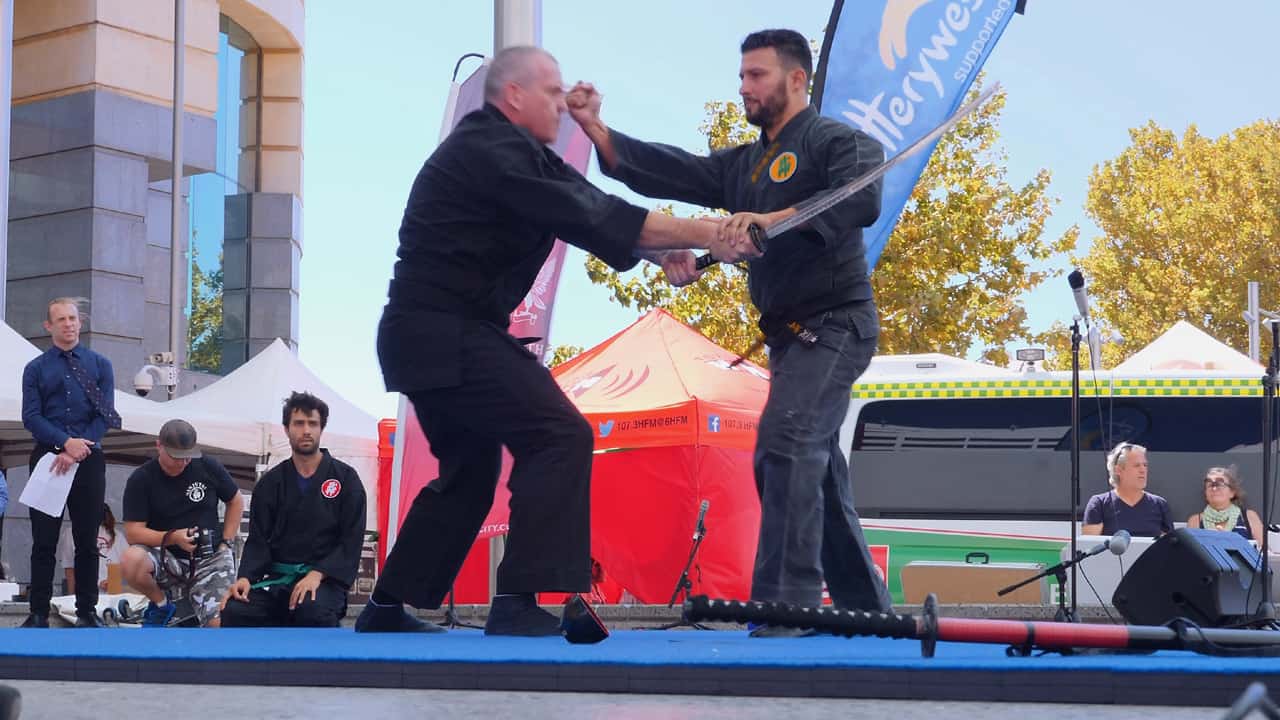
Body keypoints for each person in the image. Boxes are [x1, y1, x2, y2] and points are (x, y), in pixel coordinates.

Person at [358, 45, 751, 637]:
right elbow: (597, 213)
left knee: (470, 471)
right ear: (512, 95)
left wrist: (664, 249)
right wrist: (715, 233)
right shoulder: (494, 151)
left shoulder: (512, 155)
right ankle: (518, 601)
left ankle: (387, 606)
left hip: (423, 335)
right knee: (559, 433)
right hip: (445, 329)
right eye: (550, 91)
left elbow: (595, 217)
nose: (563, 103)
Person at [567, 29, 890, 635]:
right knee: (813, 465)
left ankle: (784, 608)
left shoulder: (837, 142)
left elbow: (857, 199)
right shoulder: (746, 164)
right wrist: (598, 131)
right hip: (790, 336)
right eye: (741, 75)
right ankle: (869, 615)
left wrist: (770, 220)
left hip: (837, 323)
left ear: (797, 79)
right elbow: (674, 170)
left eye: (757, 75)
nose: (744, 87)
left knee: (785, 444)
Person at [221, 392, 366, 627]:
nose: (306, 430)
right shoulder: (271, 484)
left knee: (311, 610)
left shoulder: (346, 480)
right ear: (286, 429)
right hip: (279, 580)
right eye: (299, 423)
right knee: (236, 610)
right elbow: (258, 541)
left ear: (321, 429)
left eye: (313, 424)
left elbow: (350, 540)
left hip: (323, 581)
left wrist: (318, 574)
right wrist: (246, 577)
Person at [20, 297, 121, 628]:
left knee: (86, 539)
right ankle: (37, 613)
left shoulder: (101, 365)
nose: (69, 324)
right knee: (44, 541)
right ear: (48, 326)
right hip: (48, 456)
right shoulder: (35, 369)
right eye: (61, 319)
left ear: (81, 322)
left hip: (89, 459)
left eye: (73, 318)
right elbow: (31, 417)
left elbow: (105, 415)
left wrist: (79, 448)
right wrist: (65, 443)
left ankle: (86, 611)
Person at [120, 419, 243, 627]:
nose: (182, 463)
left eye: (187, 457)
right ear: (159, 446)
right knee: (131, 560)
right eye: (175, 457)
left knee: (222, 625)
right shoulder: (142, 479)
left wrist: (226, 542)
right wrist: (172, 537)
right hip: (166, 556)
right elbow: (133, 532)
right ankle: (161, 604)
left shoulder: (208, 466)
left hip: (209, 559)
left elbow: (236, 501)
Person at [1082, 442, 1172, 537]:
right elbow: (1090, 546)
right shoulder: (1099, 504)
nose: (1143, 470)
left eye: (1145, 465)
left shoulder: (1160, 504)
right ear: (1118, 470)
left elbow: (1170, 547)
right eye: (1137, 465)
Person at [57, 503, 127, 594]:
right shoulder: (70, 533)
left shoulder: (117, 535)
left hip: (109, 594)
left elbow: (124, 565)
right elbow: (69, 568)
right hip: (87, 592)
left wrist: (112, 582)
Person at [1187, 466, 1264, 542]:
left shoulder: (1249, 517)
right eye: (1210, 485)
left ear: (1232, 492)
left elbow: (1264, 551)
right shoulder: (1195, 521)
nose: (1214, 489)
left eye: (1220, 484)